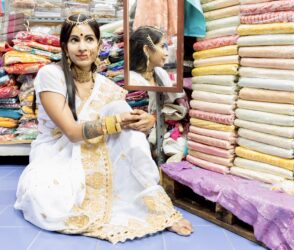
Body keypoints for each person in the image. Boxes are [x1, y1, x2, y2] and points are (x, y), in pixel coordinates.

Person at [14, 14, 192, 244]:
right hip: (58, 153)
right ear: (64, 45)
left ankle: (157, 205)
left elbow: (127, 131)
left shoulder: (107, 87)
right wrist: (118, 121)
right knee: (47, 200)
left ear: (99, 45)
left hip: (96, 150)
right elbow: (72, 132)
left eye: (89, 39)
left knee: (126, 119)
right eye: (74, 40)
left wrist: (145, 121)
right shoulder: (51, 76)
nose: (82, 47)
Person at [129, 26, 189, 115]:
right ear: (147, 50)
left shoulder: (160, 73)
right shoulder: (132, 79)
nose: (167, 53)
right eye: (162, 46)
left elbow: (170, 103)